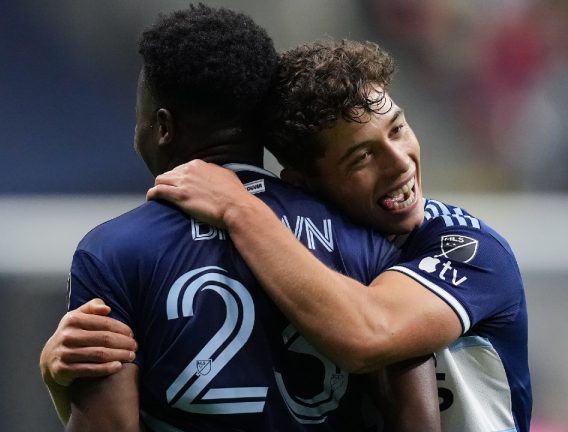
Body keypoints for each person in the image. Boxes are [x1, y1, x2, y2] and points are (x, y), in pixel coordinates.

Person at [42, 5, 440, 431]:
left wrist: (59, 386)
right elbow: (418, 421)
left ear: (163, 127)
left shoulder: (113, 252)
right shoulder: (359, 231)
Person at [146, 39, 532, 431]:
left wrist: (238, 208)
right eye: (363, 156)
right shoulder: (294, 251)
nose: (400, 163)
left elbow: (368, 334)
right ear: (303, 183)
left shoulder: (468, 248)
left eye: (397, 129)